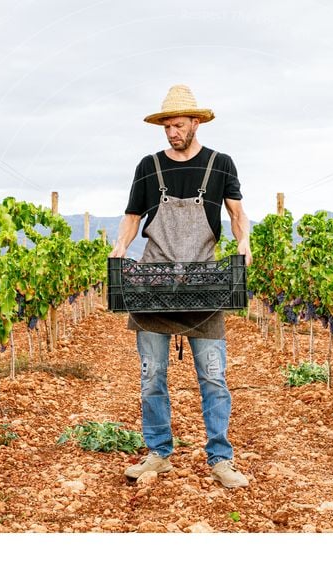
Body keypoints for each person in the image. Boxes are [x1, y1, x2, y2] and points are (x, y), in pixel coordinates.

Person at [109, 84, 252, 488]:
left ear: (196, 123)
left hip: (204, 283)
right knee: (152, 375)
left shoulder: (221, 164)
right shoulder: (149, 166)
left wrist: (244, 242)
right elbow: (132, 217)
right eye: (166, 126)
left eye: (178, 125)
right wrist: (121, 244)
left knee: (213, 375)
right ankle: (158, 453)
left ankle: (220, 458)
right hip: (153, 283)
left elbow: (238, 214)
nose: (172, 132)